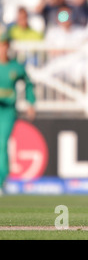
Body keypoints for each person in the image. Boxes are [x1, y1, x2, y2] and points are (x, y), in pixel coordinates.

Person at [0, 31, 36, 195]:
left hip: (7, 111)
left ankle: (1, 181)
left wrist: (31, 103)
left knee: (1, 144)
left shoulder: (15, 67)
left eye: (4, 45)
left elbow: (28, 83)